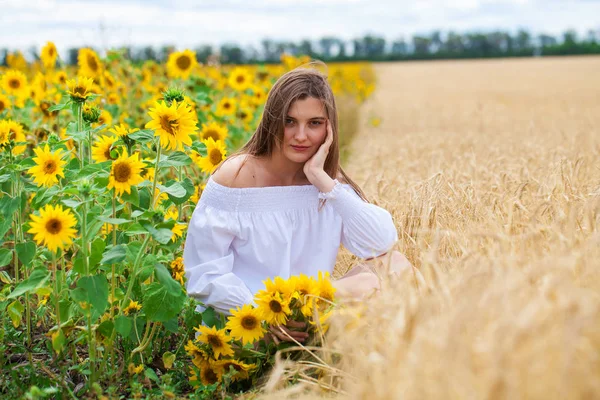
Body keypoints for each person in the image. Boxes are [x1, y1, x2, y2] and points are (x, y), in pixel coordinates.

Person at [183, 64, 415, 343]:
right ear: (271, 121)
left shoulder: (327, 184)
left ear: (329, 129)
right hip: (245, 325)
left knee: (396, 265)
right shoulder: (236, 177)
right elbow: (204, 273)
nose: (301, 136)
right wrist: (259, 316)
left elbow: (380, 244)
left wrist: (323, 180)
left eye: (314, 123)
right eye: (289, 121)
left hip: (309, 314)